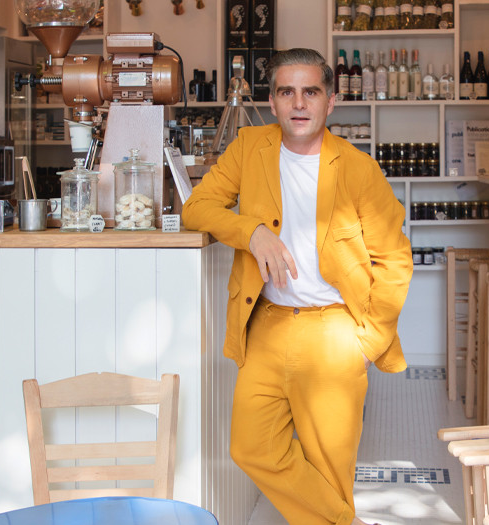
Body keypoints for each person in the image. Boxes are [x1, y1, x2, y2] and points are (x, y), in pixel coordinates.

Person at [181, 48, 412, 525]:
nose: (299, 103)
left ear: (331, 101)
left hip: (333, 334)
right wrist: (252, 231)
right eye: (287, 91)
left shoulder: (357, 169)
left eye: (311, 91)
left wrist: (368, 340)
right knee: (251, 447)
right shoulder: (250, 148)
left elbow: (393, 259)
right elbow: (196, 207)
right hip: (266, 325)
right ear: (272, 100)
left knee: (330, 471)